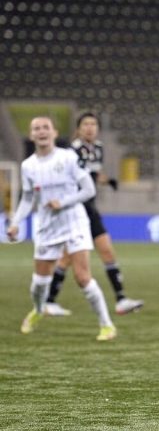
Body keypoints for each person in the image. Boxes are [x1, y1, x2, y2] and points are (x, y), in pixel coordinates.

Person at [6, 116, 117, 341]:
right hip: (47, 226)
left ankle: (106, 325)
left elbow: (88, 189)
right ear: (31, 135)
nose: (41, 131)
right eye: (36, 128)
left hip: (74, 221)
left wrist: (64, 202)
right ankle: (38, 310)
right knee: (39, 284)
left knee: (82, 277)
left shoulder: (67, 158)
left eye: (46, 127)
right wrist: (16, 222)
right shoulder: (28, 166)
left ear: (54, 133)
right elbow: (28, 198)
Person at [43, 112, 144, 316]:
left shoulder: (98, 149)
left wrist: (107, 180)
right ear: (79, 129)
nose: (90, 127)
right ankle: (48, 301)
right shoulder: (72, 152)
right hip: (75, 209)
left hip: (90, 207)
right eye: (86, 124)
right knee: (68, 257)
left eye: (93, 124)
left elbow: (93, 173)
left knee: (101, 251)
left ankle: (121, 300)